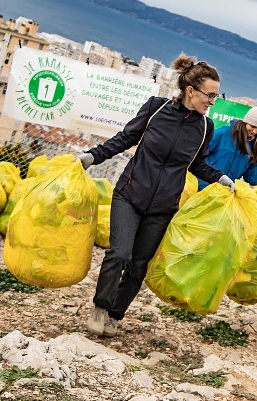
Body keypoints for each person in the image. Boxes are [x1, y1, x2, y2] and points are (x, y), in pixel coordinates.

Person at [77, 54, 232, 337]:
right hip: (130, 193)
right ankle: (100, 307)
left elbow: (197, 164)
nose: (212, 101)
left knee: (139, 265)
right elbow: (126, 138)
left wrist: (220, 178)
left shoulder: (205, 128)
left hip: (163, 206)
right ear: (190, 91)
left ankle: (115, 314)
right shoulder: (156, 109)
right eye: (210, 95)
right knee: (119, 253)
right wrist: (93, 156)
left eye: (215, 97)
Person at [196, 107, 257, 190]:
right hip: (203, 186)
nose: (254, 131)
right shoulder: (223, 133)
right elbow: (200, 152)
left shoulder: (253, 148)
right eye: (252, 126)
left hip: (225, 193)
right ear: (246, 122)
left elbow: (252, 171)